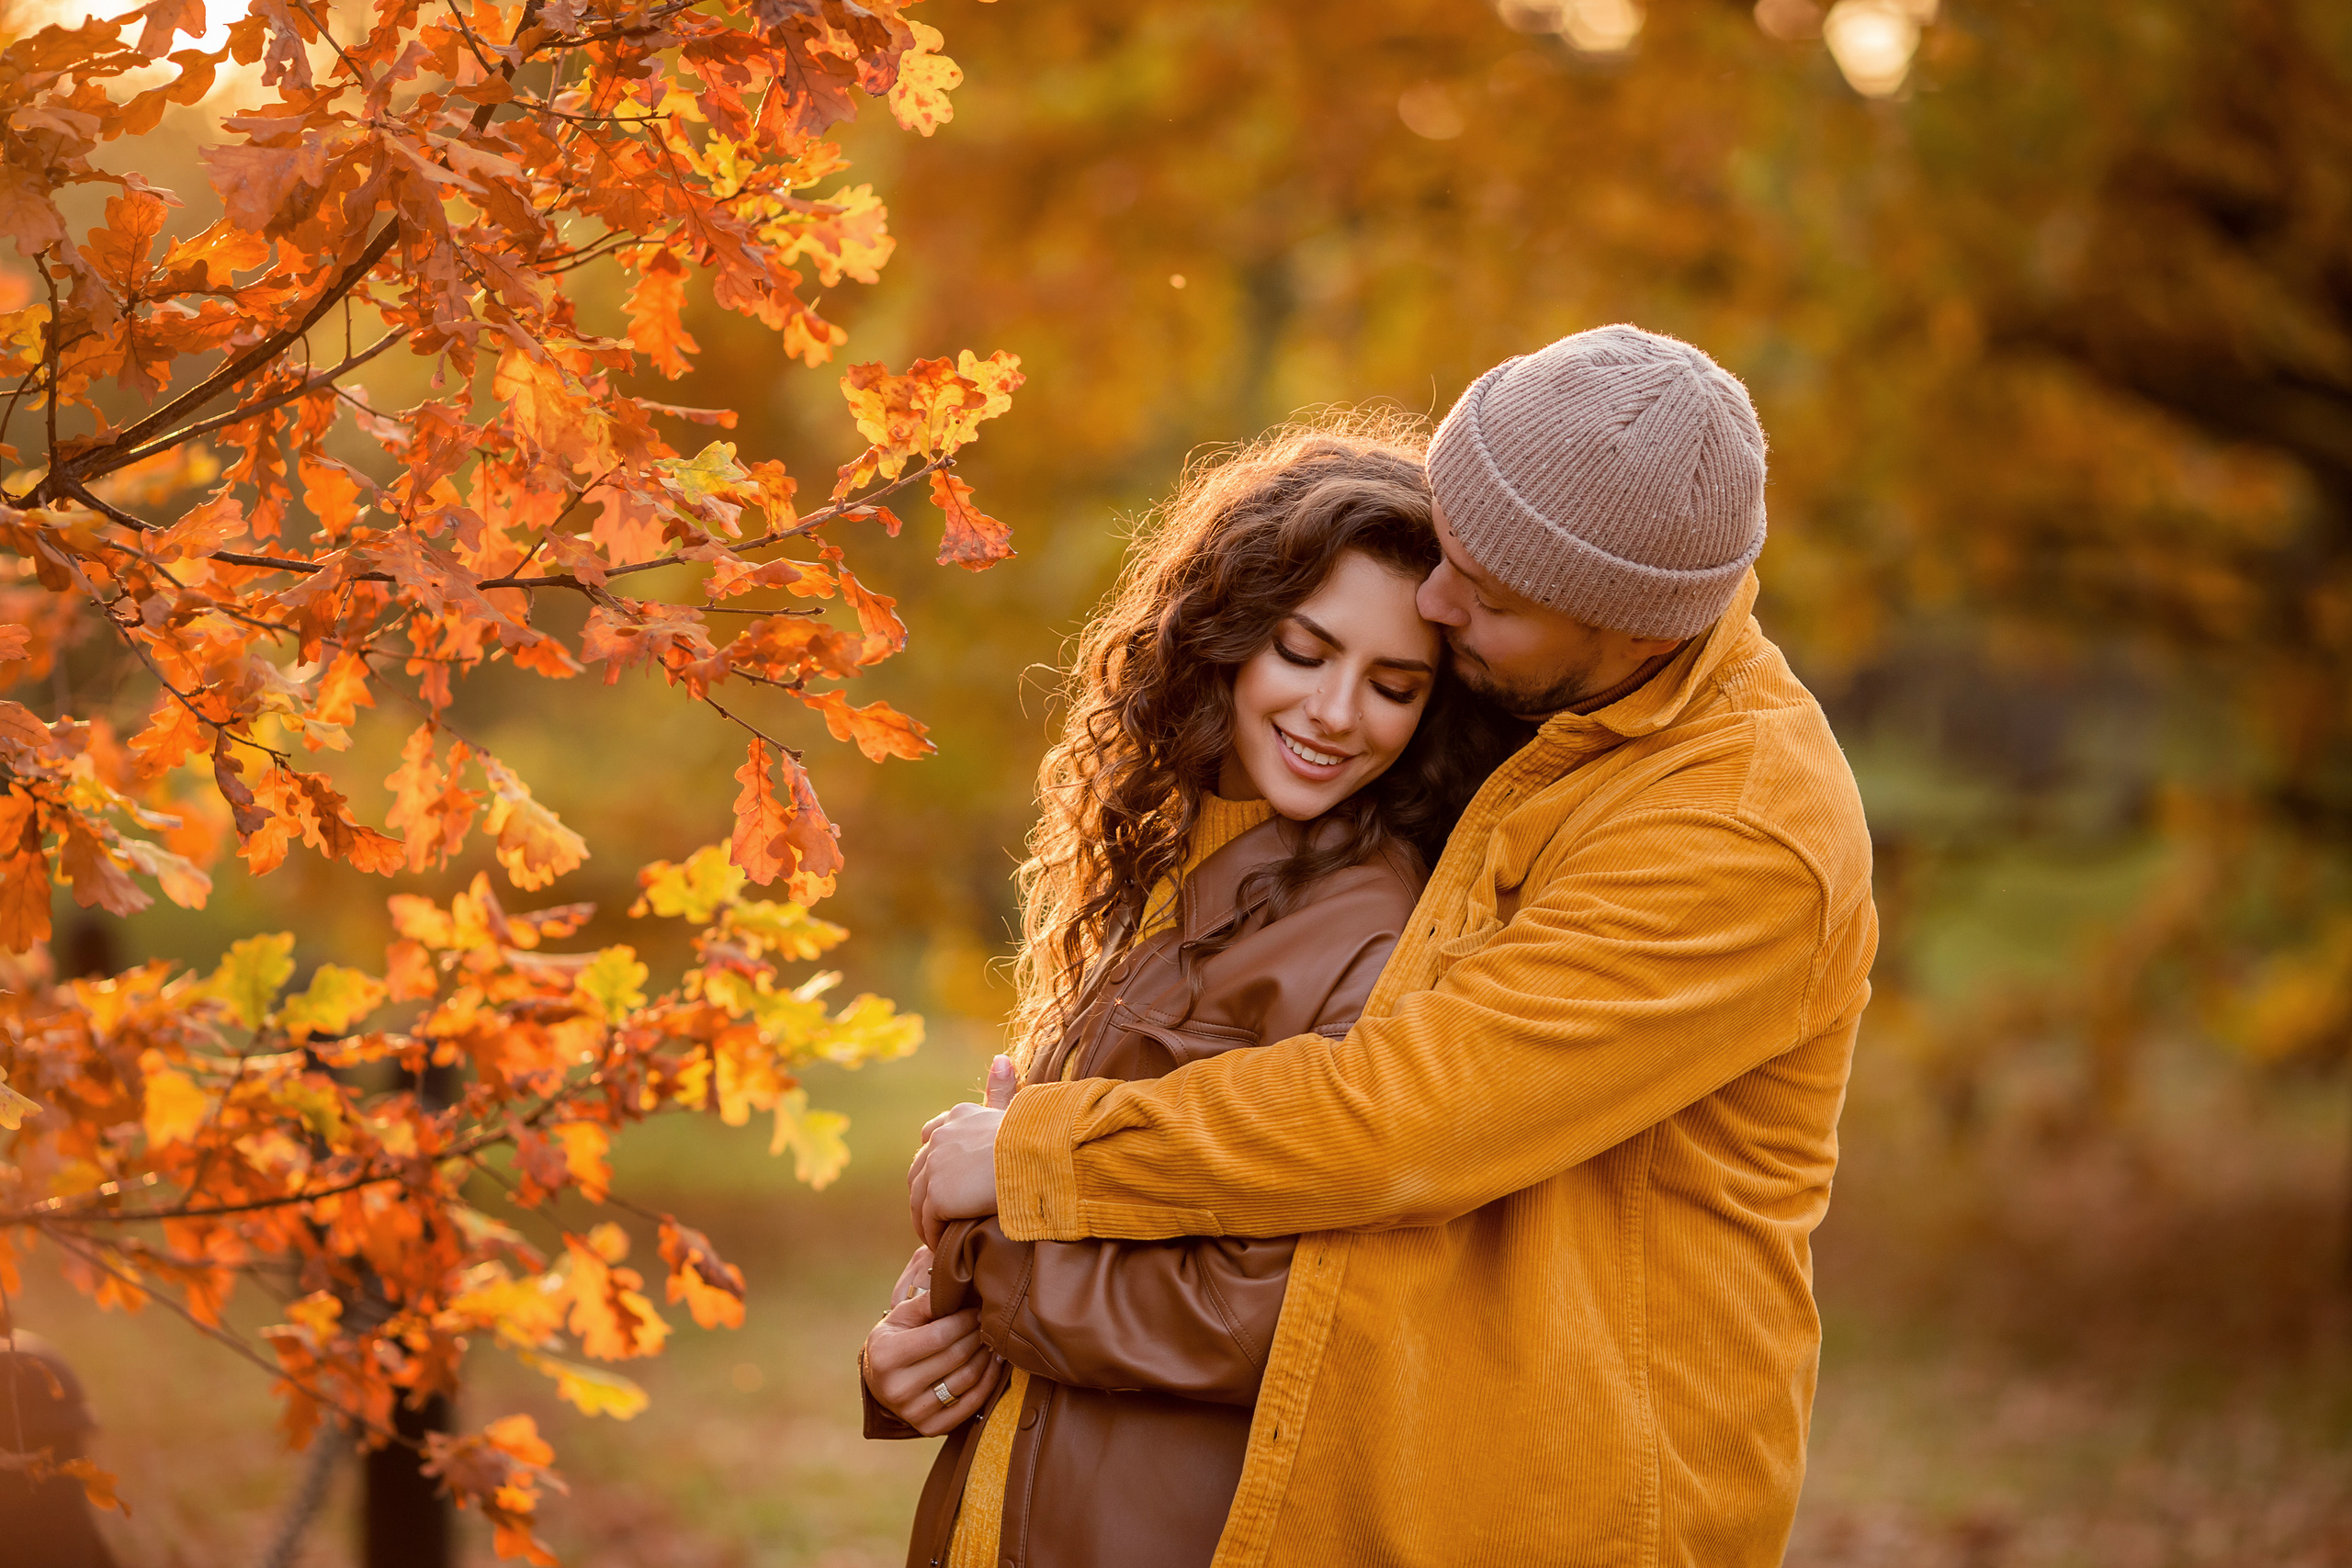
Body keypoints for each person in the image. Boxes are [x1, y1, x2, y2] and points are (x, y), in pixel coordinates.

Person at [910, 325, 1880, 1566]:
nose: (1435, 599)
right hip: (1403, 1452)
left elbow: (1400, 1110)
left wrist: (1041, 1159)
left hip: (1569, 1492)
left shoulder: (1736, 829)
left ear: (1627, 629)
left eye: (1486, 593)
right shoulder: (1557, 719)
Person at [858, 419, 1526, 1568]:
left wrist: (982, 1244)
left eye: (1391, 685)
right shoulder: (1157, 871)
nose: (1333, 714)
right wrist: (906, 1358)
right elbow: (1097, 1218)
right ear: (1222, 632)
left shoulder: (1370, 933)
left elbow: (1277, 1313)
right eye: (1303, 652)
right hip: (1009, 1505)